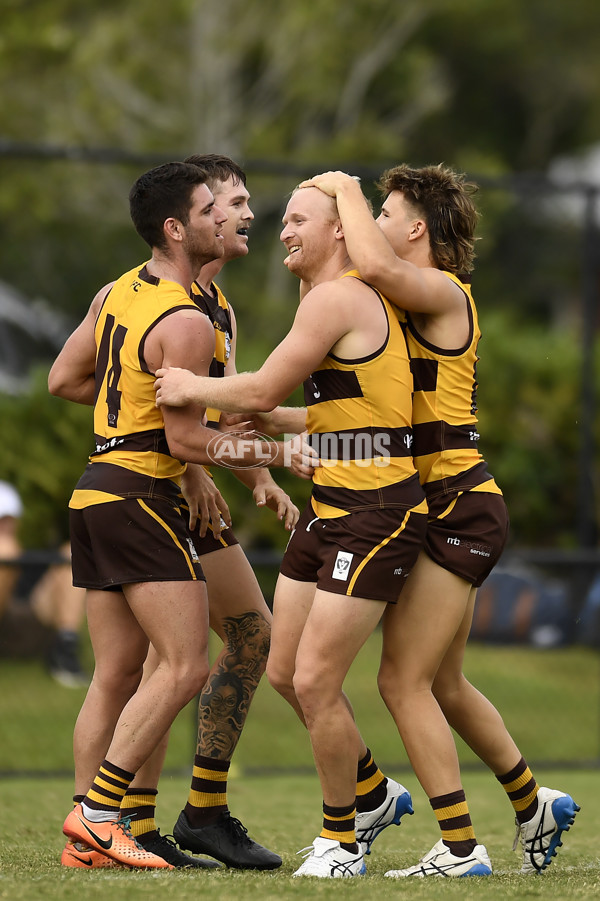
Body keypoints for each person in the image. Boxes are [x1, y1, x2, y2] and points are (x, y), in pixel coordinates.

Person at [297, 167, 580, 877]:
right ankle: (531, 801)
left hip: (460, 509)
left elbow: (377, 261)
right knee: (443, 683)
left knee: (402, 682)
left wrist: (344, 190)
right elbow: (359, 417)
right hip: (441, 509)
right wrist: (262, 413)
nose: (376, 222)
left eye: (387, 211)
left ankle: (460, 848)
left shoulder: (443, 292)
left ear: (416, 227)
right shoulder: (396, 311)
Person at [154, 183, 429, 879]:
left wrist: (190, 389)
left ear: (340, 232)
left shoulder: (340, 295)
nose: (280, 231)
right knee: (282, 669)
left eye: (297, 219)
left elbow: (260, 390)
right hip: (331, 506)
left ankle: (345, 839)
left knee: (316, 679)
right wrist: (273, 439)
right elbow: (351, 428)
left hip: (370, 513)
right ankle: (369, 791)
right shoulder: (323, 299)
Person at [49, 159, 302, 871]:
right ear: (180, 224)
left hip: (103, 487)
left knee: (131, 666)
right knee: (183, 662)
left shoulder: (143, 295)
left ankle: (117, 828)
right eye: (223, 206)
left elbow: (70, 380)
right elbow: (189, 432)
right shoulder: (187, 316)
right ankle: (100, 816)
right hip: (142, 493)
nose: (238, 216)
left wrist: (237, 462)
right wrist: (279, 454)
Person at [0, 481, 87, 687]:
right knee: (5, 548)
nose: (3, 527)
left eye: (6, 519)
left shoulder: (28, 556)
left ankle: (65, 650)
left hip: (34, 623)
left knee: (73, 553)